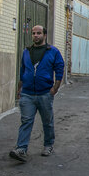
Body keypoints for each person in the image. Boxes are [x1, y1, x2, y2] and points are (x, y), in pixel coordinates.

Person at [9, 25, 65, 162]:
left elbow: (59, 69)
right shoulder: (26, 52)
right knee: (26, 121)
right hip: (27, 94)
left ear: (44, 35)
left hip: (45, 93)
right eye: (34, 33)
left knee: (47, 121)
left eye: (39, 33)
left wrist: (55, 88)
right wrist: (19, 88)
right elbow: (23, 71)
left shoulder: (53, 51)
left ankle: (48, 145)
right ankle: (21, 149)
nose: (36, 35)